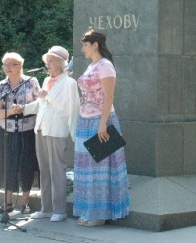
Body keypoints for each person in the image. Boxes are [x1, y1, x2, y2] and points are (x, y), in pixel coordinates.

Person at [73, 30, 130, 226]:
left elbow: (109, 97)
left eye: (85, 45)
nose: (83, 49)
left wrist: (103, 124)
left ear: (95, 44)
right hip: (86, 120)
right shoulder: (92, 66)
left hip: (100, 120)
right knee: (87, 169)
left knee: (100, 168)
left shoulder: (105, 66)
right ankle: (90, 211)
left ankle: (99, 214)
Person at [23, 46, 80, 222]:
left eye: (52, 60)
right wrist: (23, 109)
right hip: (41, 128)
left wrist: (46, 96)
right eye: (47, 60)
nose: (48, 64)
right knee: (44, 170)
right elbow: (41, 103)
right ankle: (46, 208)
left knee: (57, 170)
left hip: (56, 129)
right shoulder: (47, 80)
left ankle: (60, 210)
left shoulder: (69, 83)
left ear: (62, 64)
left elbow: (68, 107)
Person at [0, 52, 41, 215]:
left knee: (27, 164)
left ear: (20, 66)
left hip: (27, 130)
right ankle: (8, 202)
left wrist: (25, 109)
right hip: (8, 131)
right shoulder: (1, 86)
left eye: (11, 64)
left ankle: (25, 203)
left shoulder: (31, 82)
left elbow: (41, 105)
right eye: (5, 65)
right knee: (7, 165)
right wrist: (10, 112)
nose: (7, 68)